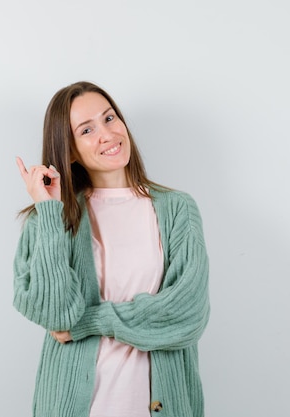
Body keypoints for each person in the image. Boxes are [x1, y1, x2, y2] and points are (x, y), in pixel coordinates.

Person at [13, 81, 210, 417]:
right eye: (86, 129)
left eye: (109, 118)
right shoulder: (50, 220)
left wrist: (88, 321)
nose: (106, 134)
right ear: (70, 149)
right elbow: (55, 315)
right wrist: (49, 211)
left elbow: (188, 314)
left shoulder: (177, 209)